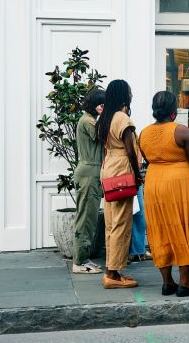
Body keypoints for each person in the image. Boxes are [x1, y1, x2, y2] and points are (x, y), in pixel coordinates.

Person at [139, 91, 189, 297]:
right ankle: (185, 283)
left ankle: (167, 282)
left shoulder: (143, 133)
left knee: (160, 229)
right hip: (178, 183)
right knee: (184, 226)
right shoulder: (182, 131)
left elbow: (145, 158)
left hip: (153, 182)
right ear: (173, 110)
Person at [96, 80, 142, 289]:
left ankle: (110, 269)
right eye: (130, 92)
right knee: (122, 223)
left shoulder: (105, 118)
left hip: (108, 169)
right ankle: (113, 274)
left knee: (111, 223)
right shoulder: (122, 118)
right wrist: (138, 172)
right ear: (123, 95)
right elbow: (130, 149)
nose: (131, 95)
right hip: (122, 169)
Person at [72, 88, 106, 274]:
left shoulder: (89, 119)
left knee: (89, 218)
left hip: (91, 172)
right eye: (102, 104)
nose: (104, 107)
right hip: (88, 174)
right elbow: (100, 135)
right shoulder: (88, 121)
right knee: (86, 218)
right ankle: (79, 261)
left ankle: (83, 258)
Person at [128, 177, 152, 263]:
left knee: (138, 214)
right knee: (138, 214)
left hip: (131, 176)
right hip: (129, 175)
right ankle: (137, 250)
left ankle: (137, 249)